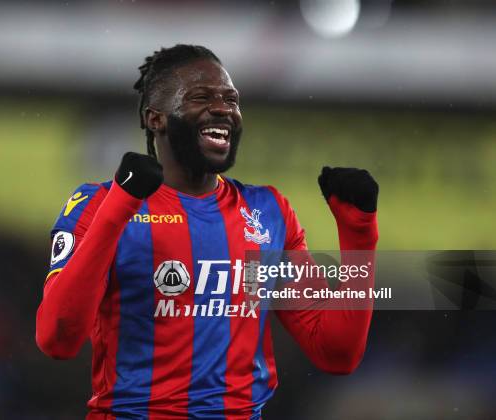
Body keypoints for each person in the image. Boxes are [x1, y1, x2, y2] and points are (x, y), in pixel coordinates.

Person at [36, 44, 379, 419]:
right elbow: (57, 340)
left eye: (231, 99)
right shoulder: (97, 203)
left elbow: (335, 352)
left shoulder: (267, 213)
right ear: (156, 119)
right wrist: (120, 206)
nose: (223, 109)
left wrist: (358, 235)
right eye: (201, 97)